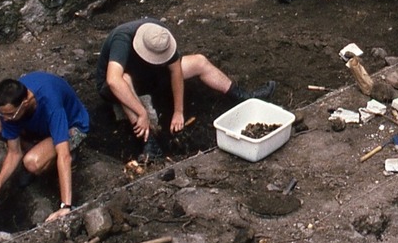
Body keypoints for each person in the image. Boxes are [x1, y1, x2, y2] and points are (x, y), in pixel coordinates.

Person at [97, 19, 276, 156]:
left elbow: (175, 71)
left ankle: (244, 96)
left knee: (199, 61)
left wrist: (178, 111)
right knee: (124, 80)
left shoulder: (161, 35)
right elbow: (113, 81)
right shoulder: (123, 39)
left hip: (150, 76)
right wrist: (142, 113)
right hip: (119, 85)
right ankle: (150, 143)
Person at [0, 72, 90, 221]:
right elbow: (14, 152)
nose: (5, 119)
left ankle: (56, 157)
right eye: (2, 113)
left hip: (71, 126)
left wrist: (66, 207)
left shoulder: (50, 102)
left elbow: (64, 156)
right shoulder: (10, 110)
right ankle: (41, 149)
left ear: (24, 104)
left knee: (32, 162)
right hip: (40, 128)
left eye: (9, 115)